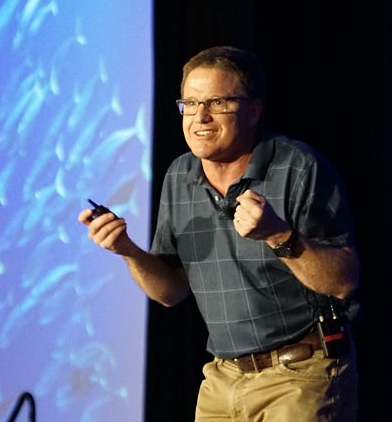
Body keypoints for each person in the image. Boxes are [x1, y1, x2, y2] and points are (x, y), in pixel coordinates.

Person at [78, 46, 360, 421]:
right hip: (222, 378)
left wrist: (278, 235)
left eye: (218, 103)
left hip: (300, 376)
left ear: (254, 110)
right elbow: (171, 291)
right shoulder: (180, 176)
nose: (200, 117)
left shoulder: (298, 168)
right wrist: (127, 248)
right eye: (190, 104)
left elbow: (343, 282)